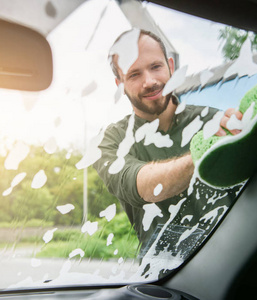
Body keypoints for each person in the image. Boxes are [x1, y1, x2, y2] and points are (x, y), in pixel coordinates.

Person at [93, 29, 242, 257]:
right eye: (134, 75)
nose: (150, 82)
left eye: (156, 67)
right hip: (164, 280)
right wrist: (205, 151)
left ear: (170, 66)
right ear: (119, 84)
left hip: (235, 261)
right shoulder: (111, 141)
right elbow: (144, 186)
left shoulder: (214, 121)